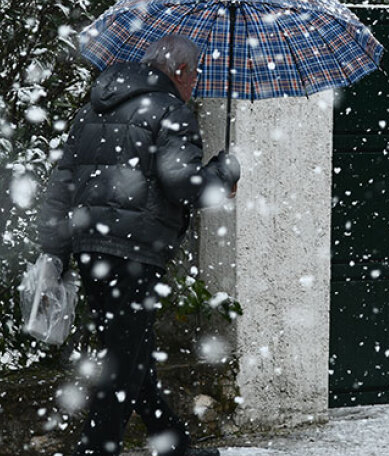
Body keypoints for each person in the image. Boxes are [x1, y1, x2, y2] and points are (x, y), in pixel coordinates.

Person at [38, 35, 240, 456]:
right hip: (134, 254)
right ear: (180, 71)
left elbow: (62, 184)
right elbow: (181, 183)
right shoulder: (171, 112)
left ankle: (175, 446)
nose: (197, 81)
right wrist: (222, 174)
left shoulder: (93, 108)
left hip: (91, 250)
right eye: (196, 72)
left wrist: (55, 252)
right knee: (124, 366)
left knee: (133, 354)